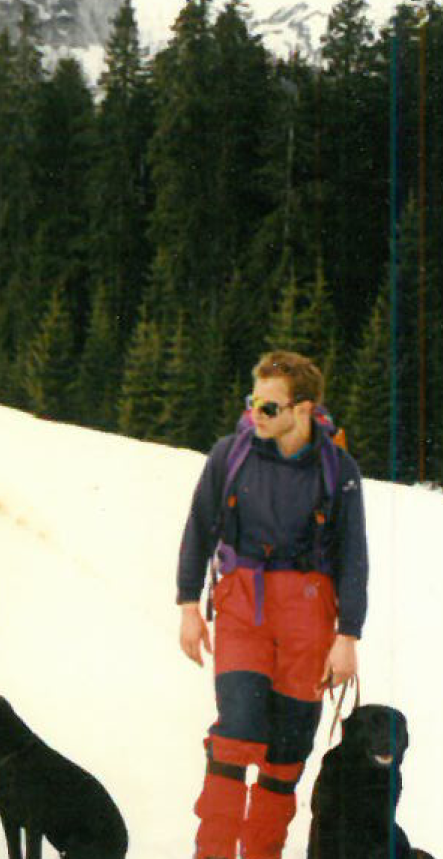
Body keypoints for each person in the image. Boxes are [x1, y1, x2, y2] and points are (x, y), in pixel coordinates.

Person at [177, 350, 366, 859]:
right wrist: (188, 604)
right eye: (252, 402)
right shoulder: (230, 454)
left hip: (310, 615)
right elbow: (199, 526)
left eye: (268, 407)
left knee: (286, 755)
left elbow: (353, 557)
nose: (254, 415)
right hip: (243, 603)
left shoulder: (338, 469)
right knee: (236, 731)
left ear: (303, 410)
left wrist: (347, 637)